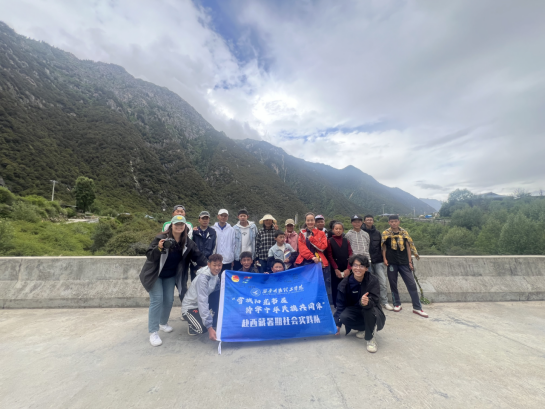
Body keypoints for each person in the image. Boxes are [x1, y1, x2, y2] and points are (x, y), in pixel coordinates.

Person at [139, 215, 207, 347]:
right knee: (157, 299)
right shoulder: (161, 238)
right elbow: (149, 255)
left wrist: (211, 266)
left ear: (185, 227)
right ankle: (153, 332)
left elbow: (198, 256)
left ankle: (163, 323)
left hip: (170, 275)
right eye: (176, 224)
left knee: (169, 300)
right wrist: (159, 248)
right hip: (155, 275)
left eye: (182, 224)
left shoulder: (187, 242)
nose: (179, 226)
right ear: (172, 226)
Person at [334, 254, 385, 353]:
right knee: (344, 316)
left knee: (367, 308)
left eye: (361, 266)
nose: (358, 268)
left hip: (371, 309)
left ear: (366, 268)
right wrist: (337, 324)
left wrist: (367, 301)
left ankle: (370, 339)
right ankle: (365, 328)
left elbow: (375, 299)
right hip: (355, 310)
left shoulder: (373, 280)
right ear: (351, 267)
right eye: (355, 265)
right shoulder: (344, 284)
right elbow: (340, 305)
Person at [381, 215, 428, 318]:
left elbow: (408, 247)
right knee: (393, 284)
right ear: (389, 222)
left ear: (399, 222)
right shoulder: (386, 233)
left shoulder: (404, 233)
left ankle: (417, 307)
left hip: (404, 262)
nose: (393, 223)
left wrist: (410, 261)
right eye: (391, 221)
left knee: (412, 284)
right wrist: (385, 259)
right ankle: (397, 304)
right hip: (392, 262)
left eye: (395, 221)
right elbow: (384, 247)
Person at [181, 254, 224, 339]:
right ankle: (191, 323)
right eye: (214, 265)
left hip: (201, 304)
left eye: (219, 265)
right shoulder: (203, 279)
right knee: (203, 328)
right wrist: (209, 327)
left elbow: (220, 293)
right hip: (191, 306)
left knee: (219, 295)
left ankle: (213, 319)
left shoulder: (216, 275)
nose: (217, 268)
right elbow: (202, 302)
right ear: (209, 265)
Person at [294, 213, 332, 304]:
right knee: (306, 283)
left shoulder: (321, 233)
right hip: (306, 261)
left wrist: (312, 239)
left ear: (314, 221)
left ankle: (319, 303)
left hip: (319, 262)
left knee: (319, 284)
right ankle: (306, 302)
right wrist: (312, 257)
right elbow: (302, 249)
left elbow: (323, 247)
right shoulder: (302, 233)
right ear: (305, 221)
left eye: (312, 220)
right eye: (308, 220)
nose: (310, 222)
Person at [362, 215, 394, 311]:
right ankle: (371, 302)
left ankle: (384, 302)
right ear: (364, 221)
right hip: (367, 261)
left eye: (371, 220)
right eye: (367, 220)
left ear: (373, 221)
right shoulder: (362, 232)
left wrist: (384, 258)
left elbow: (382, 246)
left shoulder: (377, 233)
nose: (369, 221)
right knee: (369, 283)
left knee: (382, 282)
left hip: (378, 260)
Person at [325, 222, 352, 306]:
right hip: (335, 267)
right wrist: (336, 269)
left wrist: (348, 268)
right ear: (333, 230)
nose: (338, 230)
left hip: (346, 266)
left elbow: (350, 254)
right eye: (336, 229)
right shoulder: (329, 241)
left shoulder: (346, 241)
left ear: (343, 230)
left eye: (340, 229)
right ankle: (337, 305)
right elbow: (330, 256)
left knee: (347, 285)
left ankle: (347, 304)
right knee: (336, 286)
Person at [191, 211, 217, 281]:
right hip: (195, 264)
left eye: (207, 218)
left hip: (208, 264)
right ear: (199, 220)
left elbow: (214, 248)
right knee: (195, 284)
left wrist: (209, 263)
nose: (205, 220)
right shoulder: (194, 232)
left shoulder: (213, 232)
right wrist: (196, 264)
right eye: (203, 218)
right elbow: (190, 249)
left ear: (209, 220)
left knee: (207, 284)